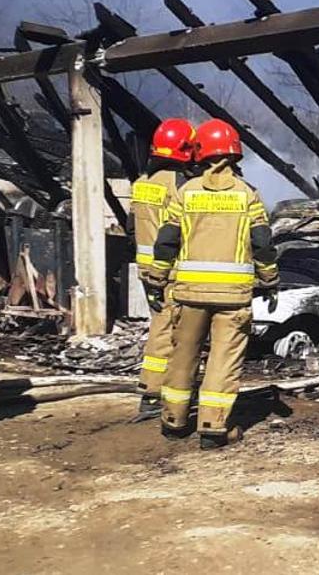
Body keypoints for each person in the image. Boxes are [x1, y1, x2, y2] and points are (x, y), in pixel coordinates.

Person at [149, 118, 278, 449]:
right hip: (233, 299)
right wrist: (269, 278)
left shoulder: (185, 193)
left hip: (189, 295)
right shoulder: (248, 196)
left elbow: (166, 241)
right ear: (235, 154)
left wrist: (157, 278)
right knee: (223, 360)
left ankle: (173, 422)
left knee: (183, 356)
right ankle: (213, 428)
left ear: (199, 152)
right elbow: (262, 243)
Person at [131, 118, 196, 421]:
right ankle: (154, 393)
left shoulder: (142, 183)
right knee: (166, 331)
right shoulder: (178, 183)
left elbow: (135, 227)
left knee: (163, 326)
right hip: (169, 270)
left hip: (148, 269)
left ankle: (168, 387)